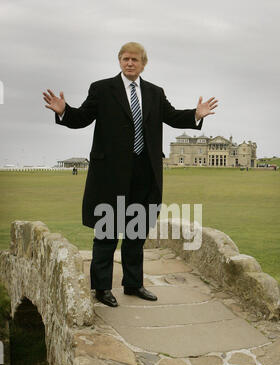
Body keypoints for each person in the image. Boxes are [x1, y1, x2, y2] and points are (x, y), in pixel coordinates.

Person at [43, 42, 218, 307]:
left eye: (134, 59)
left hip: (145, 172)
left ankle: (133, 284)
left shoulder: (155, 93)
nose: (129, 63)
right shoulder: (102, 89)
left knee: (136, 233)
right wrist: (64, 111)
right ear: (119, 61)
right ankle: (101, 288)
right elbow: (82, 118)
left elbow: (170, 116)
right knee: (107, 232)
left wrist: (195, 114)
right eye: (125, 59)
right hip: (110, 175)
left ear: (143, 63)